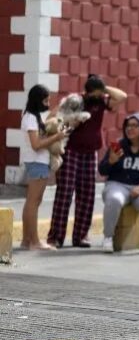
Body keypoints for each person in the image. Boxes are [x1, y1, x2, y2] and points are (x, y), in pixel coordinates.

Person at [48, 75, 127, 248]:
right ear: (87, 92)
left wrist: (103, 88)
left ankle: (81, 236)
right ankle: (56, 236)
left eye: (101, 94)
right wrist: (71, 123)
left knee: (87, 194)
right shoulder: (75, 101)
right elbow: (55, 118)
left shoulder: (101, 101)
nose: (99, 97)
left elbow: (122, 96)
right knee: (65, 193)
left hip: (91, 152)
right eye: (96, 93)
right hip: (71, 151)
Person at [98, 114, 139, 255]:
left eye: (135, 126)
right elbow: (102, 170)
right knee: (114, 199)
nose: (130, 129)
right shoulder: (119, 145)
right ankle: (108, 238)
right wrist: (111, 161)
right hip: (117, 185)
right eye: (128, 126)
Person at [19, 85, 68, 251]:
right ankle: (35, 242)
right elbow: (36, 145)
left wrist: (58, 109)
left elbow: (47, 121)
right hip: (37, 161)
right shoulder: (31, 118)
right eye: (45, 100)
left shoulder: (32, 116)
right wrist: (58, 136)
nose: (47, 103)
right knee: (34, 202)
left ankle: (26, 240)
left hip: (37, 161)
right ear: (37, 100)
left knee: (32, 201)